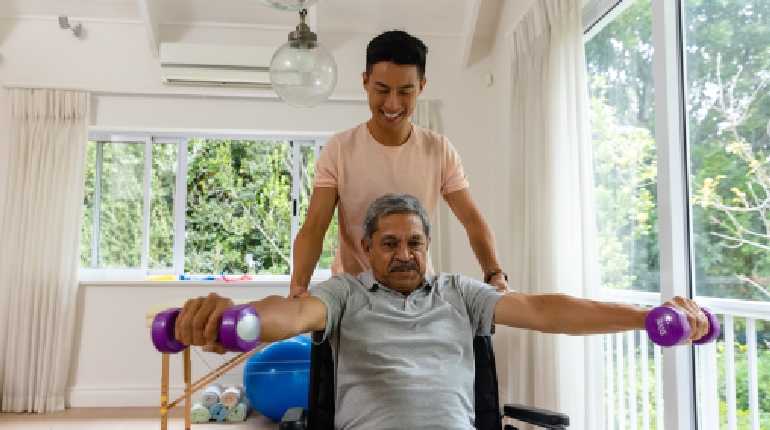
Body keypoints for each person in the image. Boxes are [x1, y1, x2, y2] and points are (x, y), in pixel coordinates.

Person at [176, 193, 710, 429]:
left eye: (415, 242)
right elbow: (289, 316)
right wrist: (238, 318)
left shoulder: (460, 293)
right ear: (367, 248)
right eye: (388, 243)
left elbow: (546, 311)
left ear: (429, 246)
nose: (404, 254)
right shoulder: (345, 294)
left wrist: (643, 317)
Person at [290, 30, 509, 297]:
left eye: (405, 91)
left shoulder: (438, 149)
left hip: (418, 294)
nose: (392, 104)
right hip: (356, 294)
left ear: (422, 87)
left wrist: (494, 274)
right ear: (365, 82)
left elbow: (473, 221)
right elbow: (314, 228)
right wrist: (297, 287)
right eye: (382, 90)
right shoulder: (339, 149)